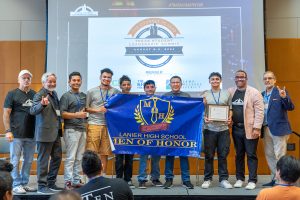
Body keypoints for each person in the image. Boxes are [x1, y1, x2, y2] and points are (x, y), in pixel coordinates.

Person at [228, 70, 264, 190]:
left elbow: (260, 111)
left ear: (246, 78)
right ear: (235, 79)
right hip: (236, 129)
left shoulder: (254, 92)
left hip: (250, 129)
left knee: (251, 155)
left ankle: (252, 180)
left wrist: (257, 127)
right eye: (237, 77)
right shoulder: (230, 91)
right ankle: (240, 179)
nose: (240, 79)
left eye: (242, 77)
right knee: (239, 154)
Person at [2, 70, 37, 194]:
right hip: (16, 134)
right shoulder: (12, 94)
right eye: (24, 78)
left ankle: (24, 183)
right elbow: (6, 113)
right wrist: (8, 131)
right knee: (15, 160)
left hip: (31, 134)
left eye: (28, 78)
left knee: (28, 160)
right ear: (19, 80)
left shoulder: (35, 94)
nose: (26, 80)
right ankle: (16, 184)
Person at [30, 72, 63, 194]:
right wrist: (42, 105)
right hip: (44, 134)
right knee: (43, 161)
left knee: (57, 158)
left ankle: (51, 182)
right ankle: (41, 186)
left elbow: (57, 113)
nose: (52, 83)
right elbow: (32, 110)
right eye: (49, 81)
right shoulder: (39, 94)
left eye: (54, 81)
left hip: (56, 133)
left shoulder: (54, 94)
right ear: (43, 82)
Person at [261, 71, 295, 187]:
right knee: (269, 154)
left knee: (279, 155)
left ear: (275, 80)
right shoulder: (261, 94)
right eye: (265, 78)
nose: (267, 80)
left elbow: (290, 107)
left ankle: (283, 180)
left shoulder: (280, 92)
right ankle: (275, 178)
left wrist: (285, 97)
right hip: (266, 129)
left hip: (279, 129)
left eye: (270, 78)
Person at [201, 72, 233, 189]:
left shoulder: (226, 93)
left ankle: (223, 179)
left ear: (220, 81)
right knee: (209, 155)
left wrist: (230, 117)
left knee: (223, 155)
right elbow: (200, 110)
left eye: (217, 79)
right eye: (212, 79)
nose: (215, 81)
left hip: (223, 129)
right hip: (209, 129)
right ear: (209, 81)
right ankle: (207, 179)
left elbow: (230, 108)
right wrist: (204, 117)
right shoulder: (204, 94)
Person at [85, 68, 119, 176]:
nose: (106, 79)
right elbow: (85, 108)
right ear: (100, 78)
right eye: (104, 77)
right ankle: (90, 177)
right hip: (94, 124)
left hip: (108, 126)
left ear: (111, 79)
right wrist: (97, 110)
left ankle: (102, 176)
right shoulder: (91, 91)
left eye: (109, 77)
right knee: (92, 153)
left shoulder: (115, 92)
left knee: (105, 153)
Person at [162, 76, 194, 189]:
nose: (175, 84)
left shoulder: (187, 96)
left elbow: (192, 113)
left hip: (183, 130)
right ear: (170, 84)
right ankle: (168, 180)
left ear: (181, 84)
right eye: (173, 82)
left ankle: (186, 180)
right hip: (169, 131)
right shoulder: (165, 96)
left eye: (177, 82)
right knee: (169, 156)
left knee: (184, 155)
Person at [60, 72, 88, 190]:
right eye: (74, 80)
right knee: (71, 157)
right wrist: (77, 115)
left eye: (78, 80)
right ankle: (68, 181)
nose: (76, 82)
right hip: (71, 130)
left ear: (81, 81)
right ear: (69, 82)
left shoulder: (83, 95)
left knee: (79, 157)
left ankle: (76, 180)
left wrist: (84, 115)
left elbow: (85, 112)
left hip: (82, 129)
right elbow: (62, 114)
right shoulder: (66, 96)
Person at [137, 80, 162, 189]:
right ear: (144, 89)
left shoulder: (160, 101)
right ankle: (142, 179)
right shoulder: (139, 100)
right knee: (143, 157)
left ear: (155, 88)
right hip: (144, 133)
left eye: (152, 87)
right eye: (147, 87)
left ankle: (155, 178)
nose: (150, 89)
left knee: (156, 157)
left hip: (157, 133)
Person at [115, 75, 135, 189]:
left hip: (132, 131)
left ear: (131, 86)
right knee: (119, 157)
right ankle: (118, 179)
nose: (126, 86)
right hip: (118, 131)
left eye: (128, 84)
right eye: (124, 85)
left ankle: (128, 179)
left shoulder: (135, 98)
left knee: (129, 157)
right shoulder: (116, 98)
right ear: (120, 86)